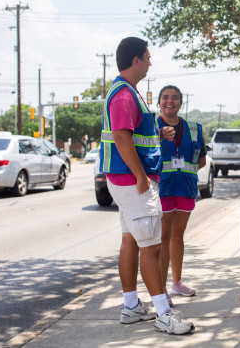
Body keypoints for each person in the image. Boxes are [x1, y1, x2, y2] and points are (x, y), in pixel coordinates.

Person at [99, 37, 194, 335]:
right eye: (148, 57)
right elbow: (122, 137)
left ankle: (131, 307)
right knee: (151, 248)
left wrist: (158, 133)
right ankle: (164, 314)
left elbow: (136, 132)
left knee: (131, 241)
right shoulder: (124, 95)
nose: (151, 62)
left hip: (124, 181)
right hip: (134, 182)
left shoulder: (128, 92)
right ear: (136, 60)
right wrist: (141, 176)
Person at [156, 85, 206, 305]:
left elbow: (201, 158)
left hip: (185, 188)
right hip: (161, 189)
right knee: (163, 238)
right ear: (159, 102)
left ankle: (177, 283)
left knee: (178, 236)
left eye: (175, 98)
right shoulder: (151, 127)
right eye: (165, 97)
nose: (170, 101)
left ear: (181, 103)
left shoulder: (194, 128)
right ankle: (161, 289)